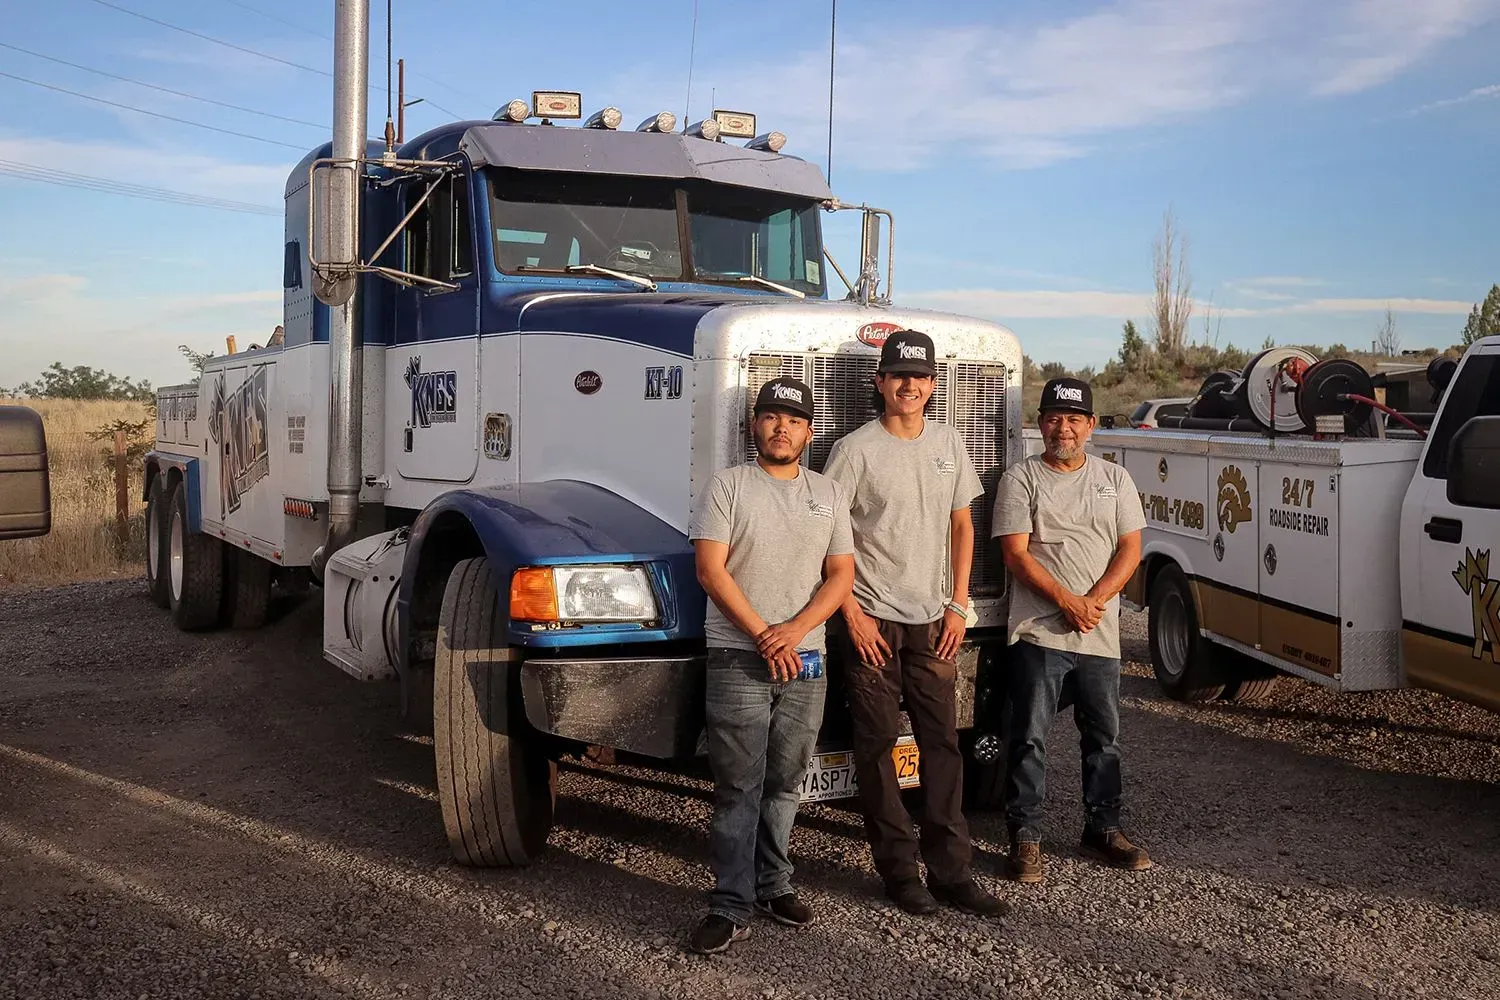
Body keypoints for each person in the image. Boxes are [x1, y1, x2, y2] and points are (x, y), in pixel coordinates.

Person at [823, 330, 1007, 918]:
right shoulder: (854, 451)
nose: (910, 385)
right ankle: (900, 874)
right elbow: (829, 537)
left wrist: (959, 605)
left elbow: (963, 527)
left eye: (921, 377)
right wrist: (850, 613)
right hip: (873, 621)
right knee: (876, 748)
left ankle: (953, 872)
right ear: (880, 383)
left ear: (933, 385)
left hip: (935, 623)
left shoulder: (950, 444)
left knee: (942, 747)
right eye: (898, 375)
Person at [687, 376, 856, 955]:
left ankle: (774, 884)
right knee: (739, 784)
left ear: (809, 432)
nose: (781, 426)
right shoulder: (727, 487)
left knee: (787, 780)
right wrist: (764, 633)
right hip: (739, 656)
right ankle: (729, 903)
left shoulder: (829, 494)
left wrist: (795, 631)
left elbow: (840, 576)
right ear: (754, 425)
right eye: (770, 416)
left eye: (792, 418)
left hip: (807, 658)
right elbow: (711, 570)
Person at [992, 376, 1150, 885]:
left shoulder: (1114, 479)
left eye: (1074, 419)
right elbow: (1016, 553)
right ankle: (1026, 836)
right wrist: (1067, 601)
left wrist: (1095, 601)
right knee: (1030, 738)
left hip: (1099, 635)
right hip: (1041, 633)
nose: (1064, 428)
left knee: (1104, 739)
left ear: (1091, 425)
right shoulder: (1022, 479)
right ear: (1040, 424)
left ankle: (1103, 828)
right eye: (1054, 418)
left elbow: (1131, 547)